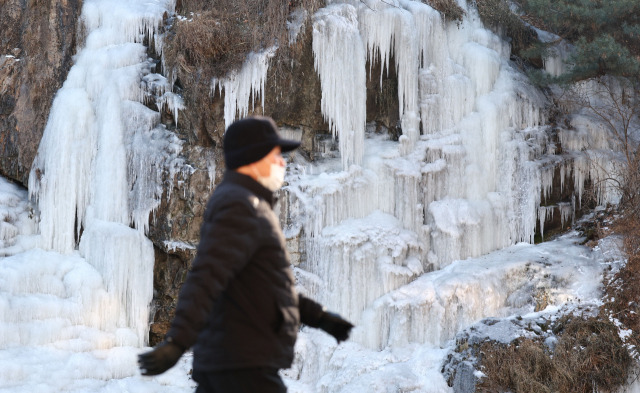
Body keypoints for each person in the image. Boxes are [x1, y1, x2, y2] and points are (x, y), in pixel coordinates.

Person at [138, 116, 354, 392]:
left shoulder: (249, 204)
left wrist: (320, 318)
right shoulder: (239, 204)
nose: (282, 162)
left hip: (238, 364)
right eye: (275, 155)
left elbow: (267, 289)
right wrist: (177, 343)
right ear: (253, 158)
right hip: (239, 366)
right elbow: (208, 275)